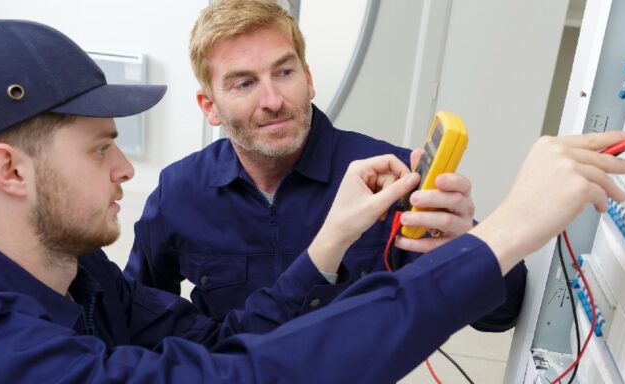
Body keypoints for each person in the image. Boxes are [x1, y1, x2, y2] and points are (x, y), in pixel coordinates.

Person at [0, 19, 625, 384]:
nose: (126, 167)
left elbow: (219, 344)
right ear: (9, 170)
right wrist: (508, 231)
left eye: (284, 70)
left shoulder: (83, 276)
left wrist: (328, 248)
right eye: (101, 147)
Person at [124, 0, 527, 332]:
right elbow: (136, 316)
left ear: (309, 78)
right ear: (209, 106)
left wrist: (471, 245)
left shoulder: (391, 177)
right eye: (244, 83)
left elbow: (500, 316)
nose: (273, 100)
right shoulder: (179, 191)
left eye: (284, 72)